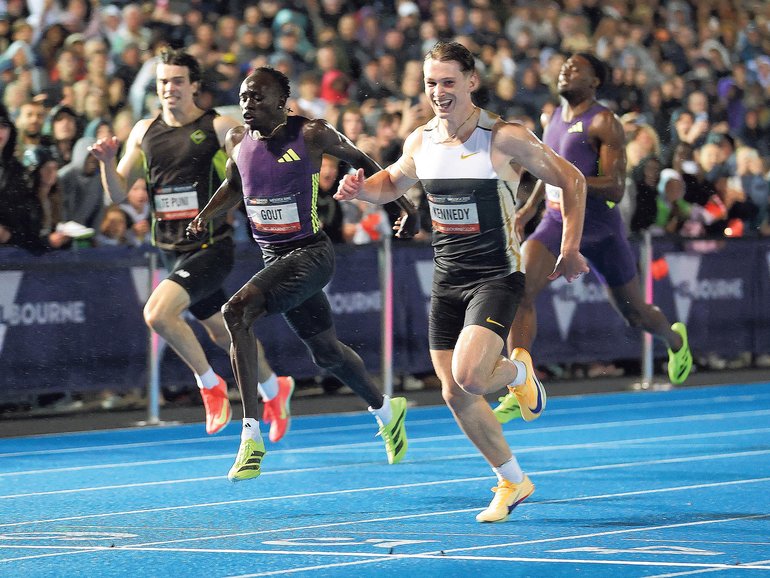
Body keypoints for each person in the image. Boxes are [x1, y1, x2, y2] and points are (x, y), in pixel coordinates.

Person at [335, 41, 588, 523]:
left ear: (472, 81)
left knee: (472, 377)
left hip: (496, 276)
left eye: (448, 82)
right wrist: (359, 191)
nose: (438, 91)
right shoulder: (421, 140)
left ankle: (518, 372)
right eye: (431, 82)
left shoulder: (505, 137)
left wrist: (569, 247)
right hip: (447, 277)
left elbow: (571, 180)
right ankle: (513, 479)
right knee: (453, 392)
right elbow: (390, 184)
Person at [186, 66, 419, 482]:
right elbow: (234, 187)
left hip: (312, 254)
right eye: (243, 97)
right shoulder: (236, 140)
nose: (247, 104)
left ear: (282, 102)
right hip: (276, 261)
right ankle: (386, 409)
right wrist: (205, 215)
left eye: (257, 97)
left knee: (236, 311)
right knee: (326, 353)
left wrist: (404, 207)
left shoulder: (312, 133)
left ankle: (250, 436)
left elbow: (364, 162)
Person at [89, 49, 293, 441]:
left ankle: (210, 386)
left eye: (178, 80)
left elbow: (250, 160)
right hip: (171, 249)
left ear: (194, 85)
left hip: (210, 246)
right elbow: (116, 194)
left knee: (157, 314)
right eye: (164, 81)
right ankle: (274, 388)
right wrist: (107, 162)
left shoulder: (217, 125)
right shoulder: (144, 130)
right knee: (223, 332)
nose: (170, 88)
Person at [494, 53, 694, 424]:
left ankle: (675, 340)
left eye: (576, 69)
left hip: (600, 228)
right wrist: (527, 209)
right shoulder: (551, 117)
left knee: (634, 314)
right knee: (520, 289)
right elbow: (545, 168)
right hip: (555, 222)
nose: (565, 71)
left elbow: (616, 189)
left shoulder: (603, 122)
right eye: (564, 66)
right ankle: (520, 383)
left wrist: (570, 180)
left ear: (595, 81)